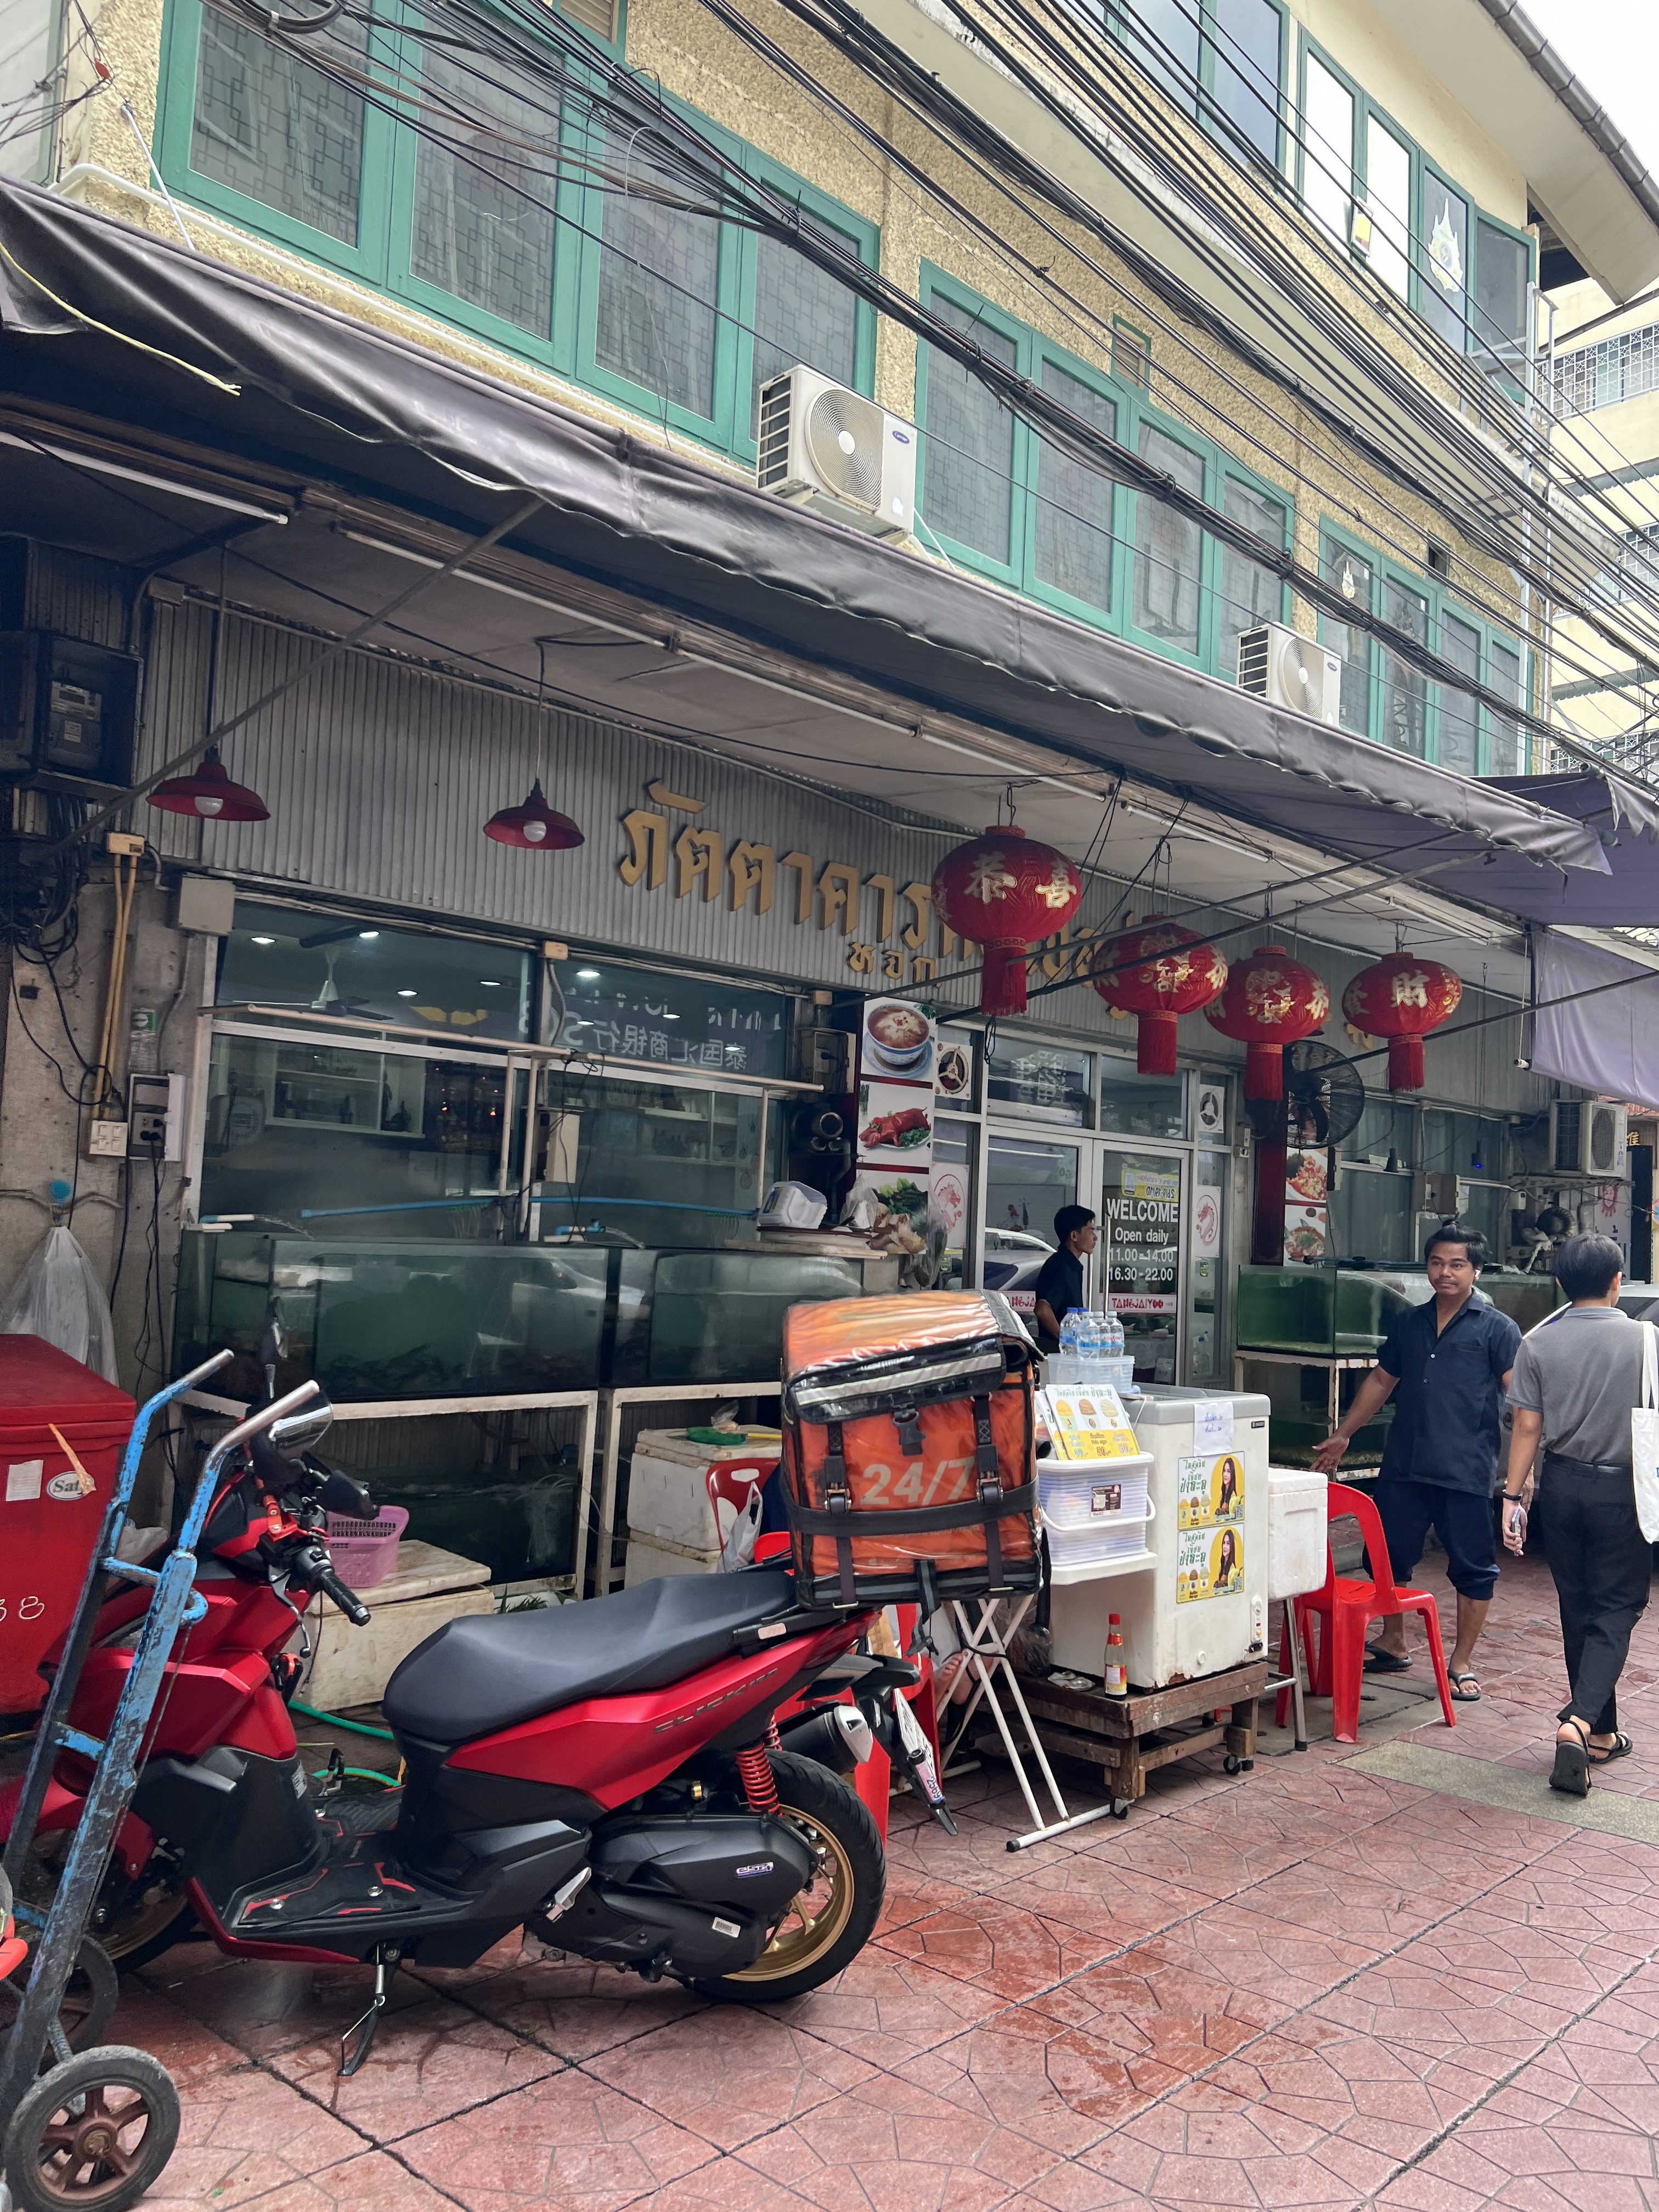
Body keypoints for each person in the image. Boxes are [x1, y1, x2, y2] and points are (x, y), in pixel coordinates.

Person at [1314, 1224, 1520, 1702]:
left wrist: (1521, 1473)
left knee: (1473, 1568)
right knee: (1388, 1556)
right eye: (1437, 1263)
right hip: (1405, 1465)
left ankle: (1461, 1662)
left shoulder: (1497, 1329)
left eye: (1457, 1264)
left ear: (1476, 1270)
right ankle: (1394, 1640)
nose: (1445, 1272)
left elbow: (1521, 1400)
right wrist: (1344, 1434)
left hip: (1465, 1470)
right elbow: (1381, 1381)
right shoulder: (1409, 1323)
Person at [1503, 1233, 1651, 1796]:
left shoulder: (1537, 1343)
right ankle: (1581, 1720)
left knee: (1578, 1606)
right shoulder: (1647, 1340)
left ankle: (1602, 1734)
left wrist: (1512, 1499)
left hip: (1562, 1487)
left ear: (1561, 1283)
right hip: (1624, 1490)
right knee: (1618, 1606)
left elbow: (1527, 1427)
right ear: (1618, 1281)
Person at [1032, 1204, 1098, 1355]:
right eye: (1090, 1230)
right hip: (1057, 1352)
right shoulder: (1061, 1266)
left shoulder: (1070, 1265)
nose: (1095, 1237)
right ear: (1074, 1236)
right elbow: (1042, 1310)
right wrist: (1066, 1340)